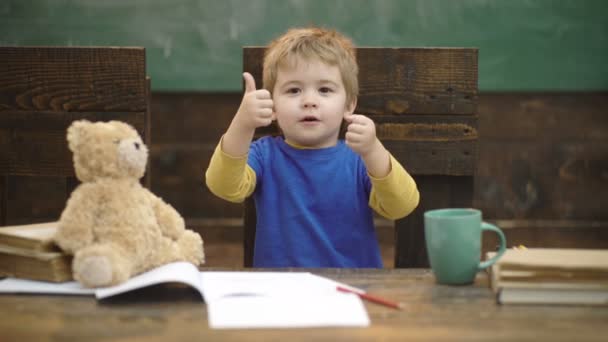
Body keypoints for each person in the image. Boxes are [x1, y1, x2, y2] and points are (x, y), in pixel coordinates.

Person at [206, 27, 419, 267]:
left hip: (353, 290)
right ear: (273, 106)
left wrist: (373, 150)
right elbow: (223, 186)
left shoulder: (359, 158)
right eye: (294, 90)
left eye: (324, 90)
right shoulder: (264, 155)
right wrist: (243, 123)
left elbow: (401, 206)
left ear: (348, 105)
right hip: (282, 292)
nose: (309, 101)